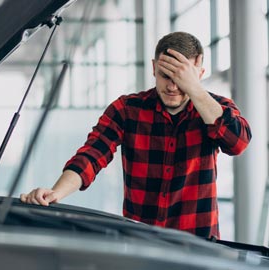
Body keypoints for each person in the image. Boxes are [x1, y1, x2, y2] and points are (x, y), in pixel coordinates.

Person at [20, 31, 251, 239]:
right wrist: (55, 193)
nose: (172, 87)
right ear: (153, 67)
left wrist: (195, 89)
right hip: (140, 244)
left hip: (198, 248)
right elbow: (92, 155)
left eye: (181, 79)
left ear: (198, 74)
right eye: (165, 76)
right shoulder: (127, 109)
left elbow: (238, 143)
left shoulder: (215, 109)